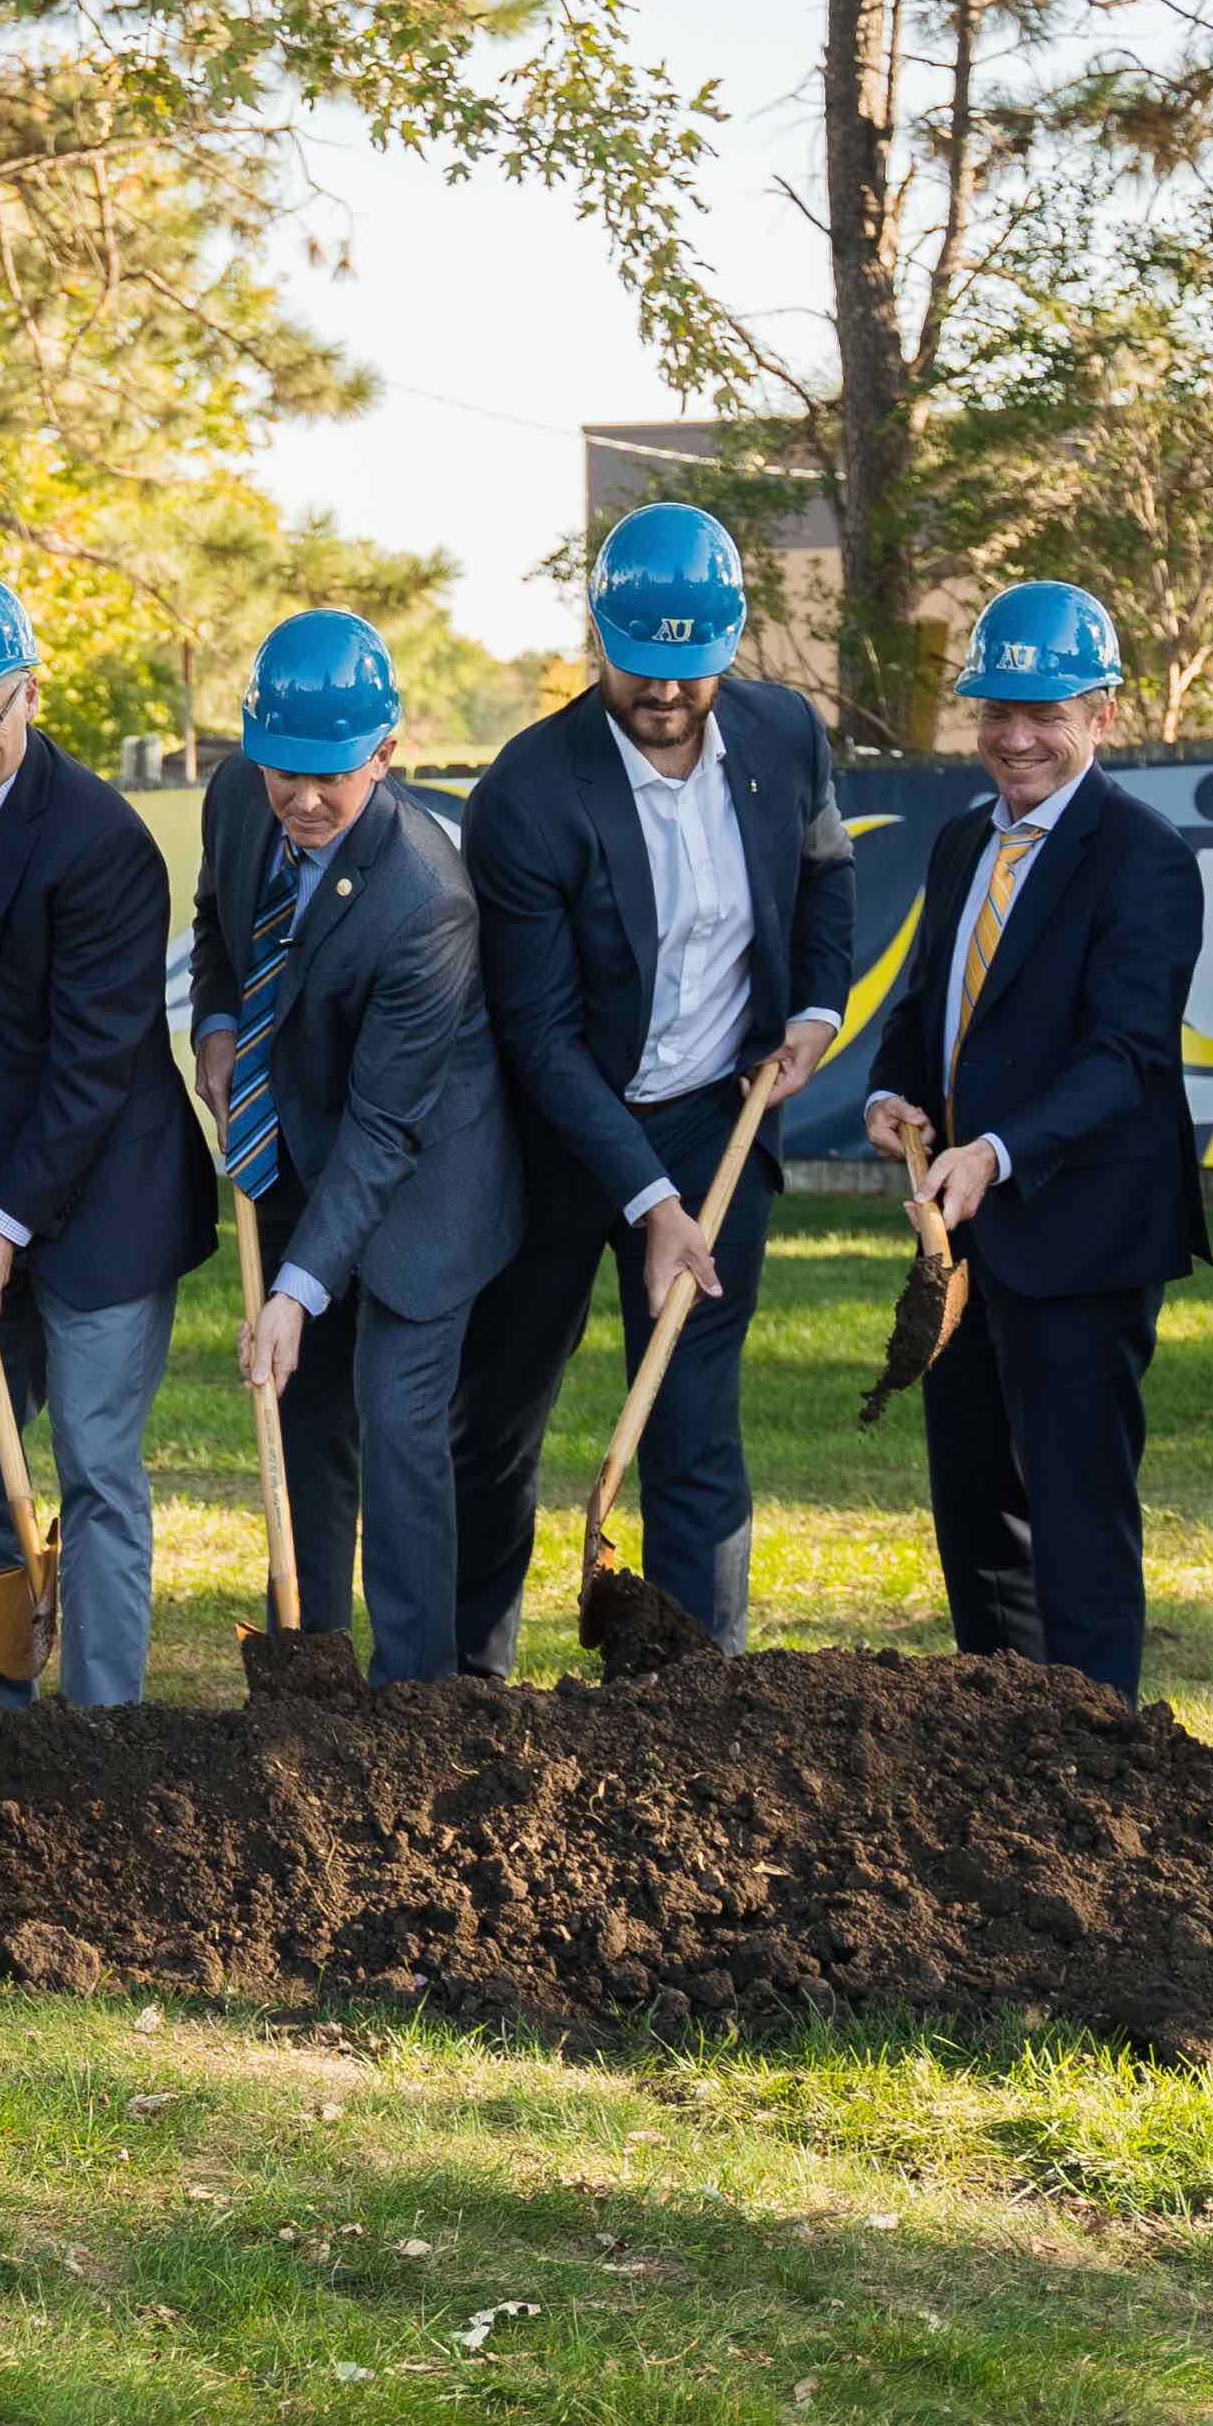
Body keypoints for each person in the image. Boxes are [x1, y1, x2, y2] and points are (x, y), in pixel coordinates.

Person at [448, 501, 855, 1671]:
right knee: (498, 1422)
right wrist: (649, 1203)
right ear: (598, 636)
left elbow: (826, 876)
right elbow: (537, 1033)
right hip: (554, 1134)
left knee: (690, 1426)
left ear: (730, 643)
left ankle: (693, 1700)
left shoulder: (785, 739)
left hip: (710, 1124)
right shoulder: (528, 793)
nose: (666, 692)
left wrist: (815, 1012)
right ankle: (468, 1684)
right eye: (641, 664)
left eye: (692, 666)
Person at [0, 569, 211, 1708]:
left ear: (27, 695)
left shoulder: (99, 845)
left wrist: (10, 1224)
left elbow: (95, 1062)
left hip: (102, 1194)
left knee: (96, 1469)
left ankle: (103, 1724)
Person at [858, 583, 1209, 1694]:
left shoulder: (1143, 859)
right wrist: (892, 1089)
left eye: (1045, 713)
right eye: (995, 712)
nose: (1015, 738)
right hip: (960, 1241)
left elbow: (1127, 1057)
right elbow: (930, 1003)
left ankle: (1098, 1754)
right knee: (974, 1509)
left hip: (1083, 1234)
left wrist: (997, 1150)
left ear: (1102, 716)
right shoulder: (965, 840)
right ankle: (999, 1736)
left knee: (1075, 1515)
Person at [191, 610, 516, 1686]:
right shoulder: (238, 800)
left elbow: (387, 1128)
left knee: (396, 1418)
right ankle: (314, 1666)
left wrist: (295, 1290)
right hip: (299, 1136)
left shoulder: (425, 900)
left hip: (426, 1178)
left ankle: (414, 1693)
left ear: (386, 751)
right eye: (283, 769)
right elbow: (216, 927)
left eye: (333, 772)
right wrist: (218, 1025)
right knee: (307, 1404)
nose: (305, 798)